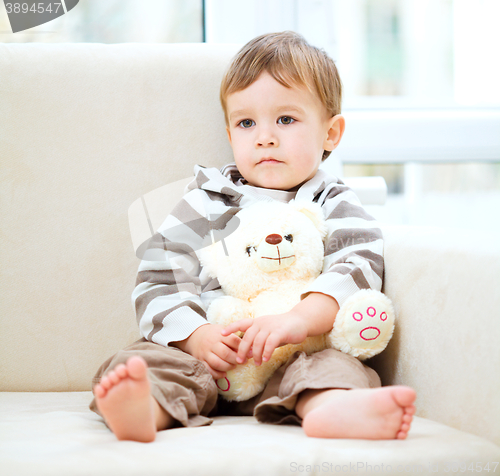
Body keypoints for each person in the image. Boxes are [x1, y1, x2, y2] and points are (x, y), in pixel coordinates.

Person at [90, 31, 416, 442]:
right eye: (246, 123)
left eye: (286, 119)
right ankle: (145, 407)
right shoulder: (206, 201)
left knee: (340, 367)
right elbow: (160, 274)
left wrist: (298, 320)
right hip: (211, 359)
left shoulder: (333, 201)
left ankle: (330, 408)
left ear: (331, 134)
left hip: (296, 357)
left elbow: (359, 266)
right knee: (143, 359)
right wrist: (195, 336)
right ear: (230, 134)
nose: (264, 136)